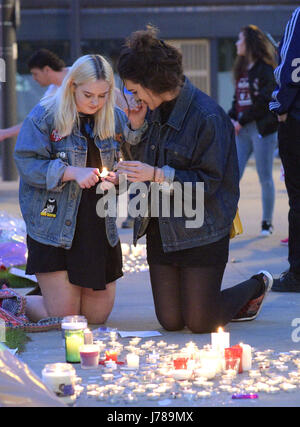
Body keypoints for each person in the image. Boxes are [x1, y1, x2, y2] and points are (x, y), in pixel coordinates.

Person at [112, 26, 273, 332]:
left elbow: (209, 185)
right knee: (171, 321)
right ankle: (205, 299)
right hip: (162, 226)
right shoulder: (150, 109)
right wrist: (134, 129)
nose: (131, 96)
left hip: (203, 226)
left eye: (133, 89)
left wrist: (157, 175)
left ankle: (256, 285)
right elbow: (138, 164)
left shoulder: (207, 116)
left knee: (201, 322)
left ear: (152, 82)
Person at [14, 54, 141, 323]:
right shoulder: (45, 116)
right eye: (88, 95)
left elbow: (131, 165)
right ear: (71, 86)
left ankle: (56, 295)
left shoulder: (115, 118)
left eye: (103, 95)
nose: (95, 102)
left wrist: (120, 179)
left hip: (97, 227)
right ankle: (14, 301)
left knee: (95, 318)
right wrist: (70, 172)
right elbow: (26, 163)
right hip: (54, 228)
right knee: (67, 319)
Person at [228, 25, 278, 237]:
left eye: (239, 40)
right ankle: (228, 220)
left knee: (264, 175)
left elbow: (264, 102)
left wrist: (241, 120)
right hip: (242, 129)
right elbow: (238, 99)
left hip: (260, 129)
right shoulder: (241, 68)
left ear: (248, 43)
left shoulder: (265, 69)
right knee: (233, 176)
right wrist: (231, 116)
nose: (236, 44)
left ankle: (267, 222)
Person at [270, 7, 300, 292]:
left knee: (298, 199)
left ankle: (298, 273)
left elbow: (291, 64)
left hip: (297, 119)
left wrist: (280, 107)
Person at [0, 49, 69, 142]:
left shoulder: (78, 73)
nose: (34, 78)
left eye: (35, 73)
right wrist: (5, 133)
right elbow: (35, 119)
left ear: (47, 70)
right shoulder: (52, 92)